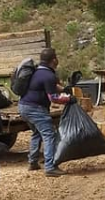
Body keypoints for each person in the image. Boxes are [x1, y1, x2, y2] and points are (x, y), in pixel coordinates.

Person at [18, 47, 71, 177]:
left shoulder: (36, 71)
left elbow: (48, 86)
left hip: (23, 106)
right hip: (35, 108)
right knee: (49, 135)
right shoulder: (49, 75)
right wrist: (69, 99)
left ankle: (33, 161)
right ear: (54, 60)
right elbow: (53, 98)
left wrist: (64, 89)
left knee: (37, 133)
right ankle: (50, 166)